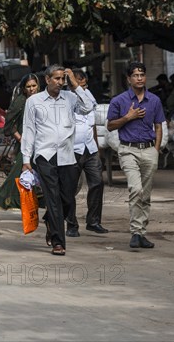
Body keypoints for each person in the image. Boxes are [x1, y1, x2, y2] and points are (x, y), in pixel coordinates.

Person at [21, 64, 94, 256]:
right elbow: (28, 130)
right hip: (44, 156)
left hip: (68, 155)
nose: (61, 82)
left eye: (63, 79)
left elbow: (88, 107)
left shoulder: (70, 97)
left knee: (67, 198)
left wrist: (75, 84)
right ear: (47, 79)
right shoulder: (34, 101)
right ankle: (58, 242)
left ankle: (49, 219)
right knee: (52, 197)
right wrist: (26, 159)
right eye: (57, 78)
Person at [107, 62, 165, 249]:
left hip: (149, 150)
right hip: (128, 150)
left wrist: (155, 149)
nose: (139, 78)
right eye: (135, 75)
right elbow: (110, 126)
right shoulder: (119, 101)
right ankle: (135, 232)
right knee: (136, 189)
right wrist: (128, 118)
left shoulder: (154, 100)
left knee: (145, 195)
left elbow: (158, 126)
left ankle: (141, 232)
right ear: (128, 79)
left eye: (142, 74)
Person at [65, 69, 108, 235]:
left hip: (90, 149)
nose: (81, 88)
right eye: (77, 84)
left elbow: (93, 124)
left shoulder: (88, 95)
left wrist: (97, 148)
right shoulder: (64, 97)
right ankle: (72, 225)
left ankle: (93, 221)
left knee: (97, 183)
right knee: (70, 189)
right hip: (71, 150)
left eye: (83, 85)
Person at [0, 74, 41, 210]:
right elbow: (9, 123)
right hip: (25, 142)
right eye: (28, 87)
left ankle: (36, 201)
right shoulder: (20, 101)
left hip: (41, 142)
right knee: (20, 171)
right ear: (24, 89)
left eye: (34, 86)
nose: (32, 89)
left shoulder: (42, 99)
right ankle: (6, 200)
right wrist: (21, 139)